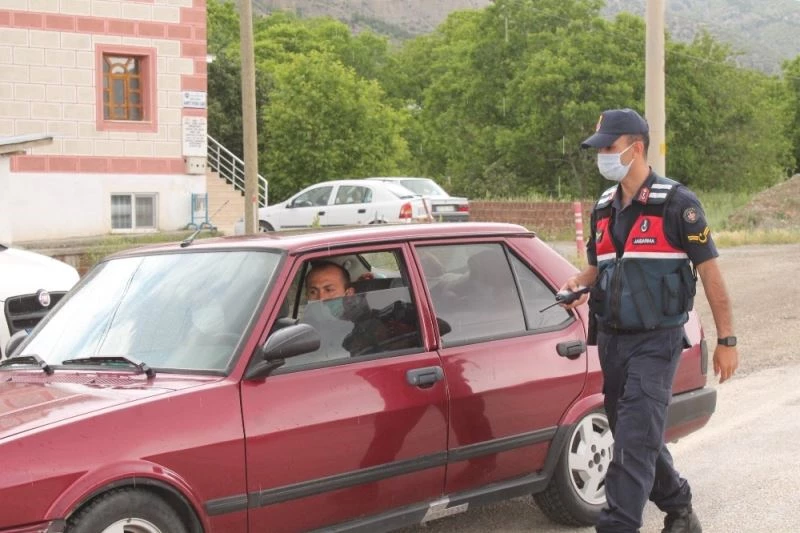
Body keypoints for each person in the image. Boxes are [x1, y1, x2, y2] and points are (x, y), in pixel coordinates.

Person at [561, 108, 739, 533]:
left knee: (631, 448)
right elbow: (599, 267)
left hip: (656, 343)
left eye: (609, 146)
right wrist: (578, 283)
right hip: (612, 342)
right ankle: (680, 509)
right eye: (599, 148)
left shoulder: (678, 204)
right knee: (635, 435)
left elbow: (711, 274)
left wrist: (727, 340)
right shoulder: (603, 208)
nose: (602, 155)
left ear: (636, 148)